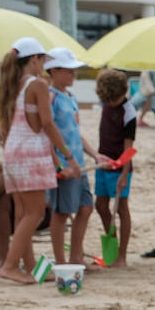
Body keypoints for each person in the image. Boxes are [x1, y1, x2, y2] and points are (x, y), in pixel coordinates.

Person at [0, 37, 79, 284]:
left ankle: (31, 267)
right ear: (34, 59)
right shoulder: (37, 85)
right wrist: (67, 157)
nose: (43, 64)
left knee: (23, 214)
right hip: (31, 153)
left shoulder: (12, 85)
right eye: (42, 59)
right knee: (34, 213)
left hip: (13, 152)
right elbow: (46, 123)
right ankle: (10, 266)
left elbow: (21, 123)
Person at [45, 48, 94, 269]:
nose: (73, 75)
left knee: (85, 207)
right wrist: (57, 163)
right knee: (61, 213)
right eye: (69, 71)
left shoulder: (70, 97)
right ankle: (61, 261)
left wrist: (94, 153)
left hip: (79, 164)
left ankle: (76, 257)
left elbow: (75, 132)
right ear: (54, 70)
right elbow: (48, 133)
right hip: (64, 165)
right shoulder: (50, 97)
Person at [94, 68, 135, 267]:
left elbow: (129, 147)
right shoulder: (106, 102)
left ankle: (122, 256)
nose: (110, 104)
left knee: (122, 209)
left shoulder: (129, 112)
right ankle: (112, 245)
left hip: (120, 167)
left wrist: (124, 175)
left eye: (113, 101)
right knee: (100, 205)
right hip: (103, 163)